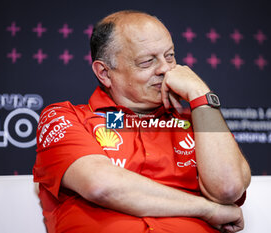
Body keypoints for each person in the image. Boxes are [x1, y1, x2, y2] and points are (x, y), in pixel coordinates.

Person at [33, 10, 251, 233]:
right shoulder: (65, 117)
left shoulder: (199, 122)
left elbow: (228, 189)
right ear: (105, 73)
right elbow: (101, 185)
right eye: (147, 62)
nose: (165, 69)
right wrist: (207, 209)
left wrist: (200, 94)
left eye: (170, 56)